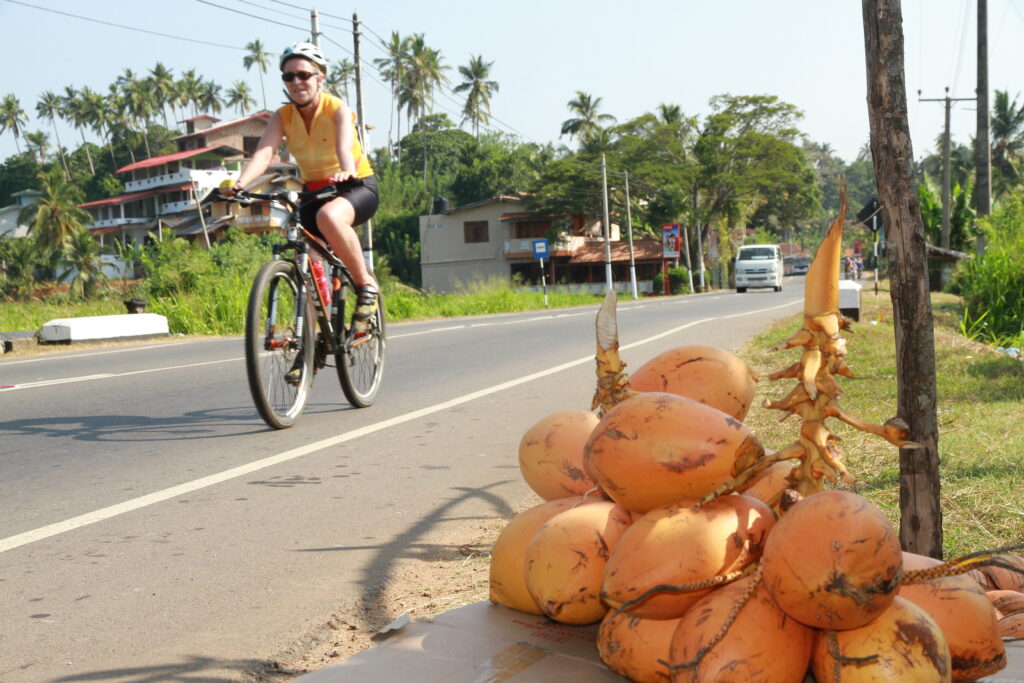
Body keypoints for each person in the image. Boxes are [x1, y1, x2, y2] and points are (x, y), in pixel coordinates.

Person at [224, 41, 379, 335]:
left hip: (354, 187)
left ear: (320, 77)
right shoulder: (282, 117)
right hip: (313, 192)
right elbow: (264, 153)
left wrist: (346, 170)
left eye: (304, 75)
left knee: (329, 218)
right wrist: (241, 184)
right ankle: (312, 344)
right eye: (289, 76)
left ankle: (366, 287)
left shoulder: (338, 109)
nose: (296, 82)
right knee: (305, 263)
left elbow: (343, 146)